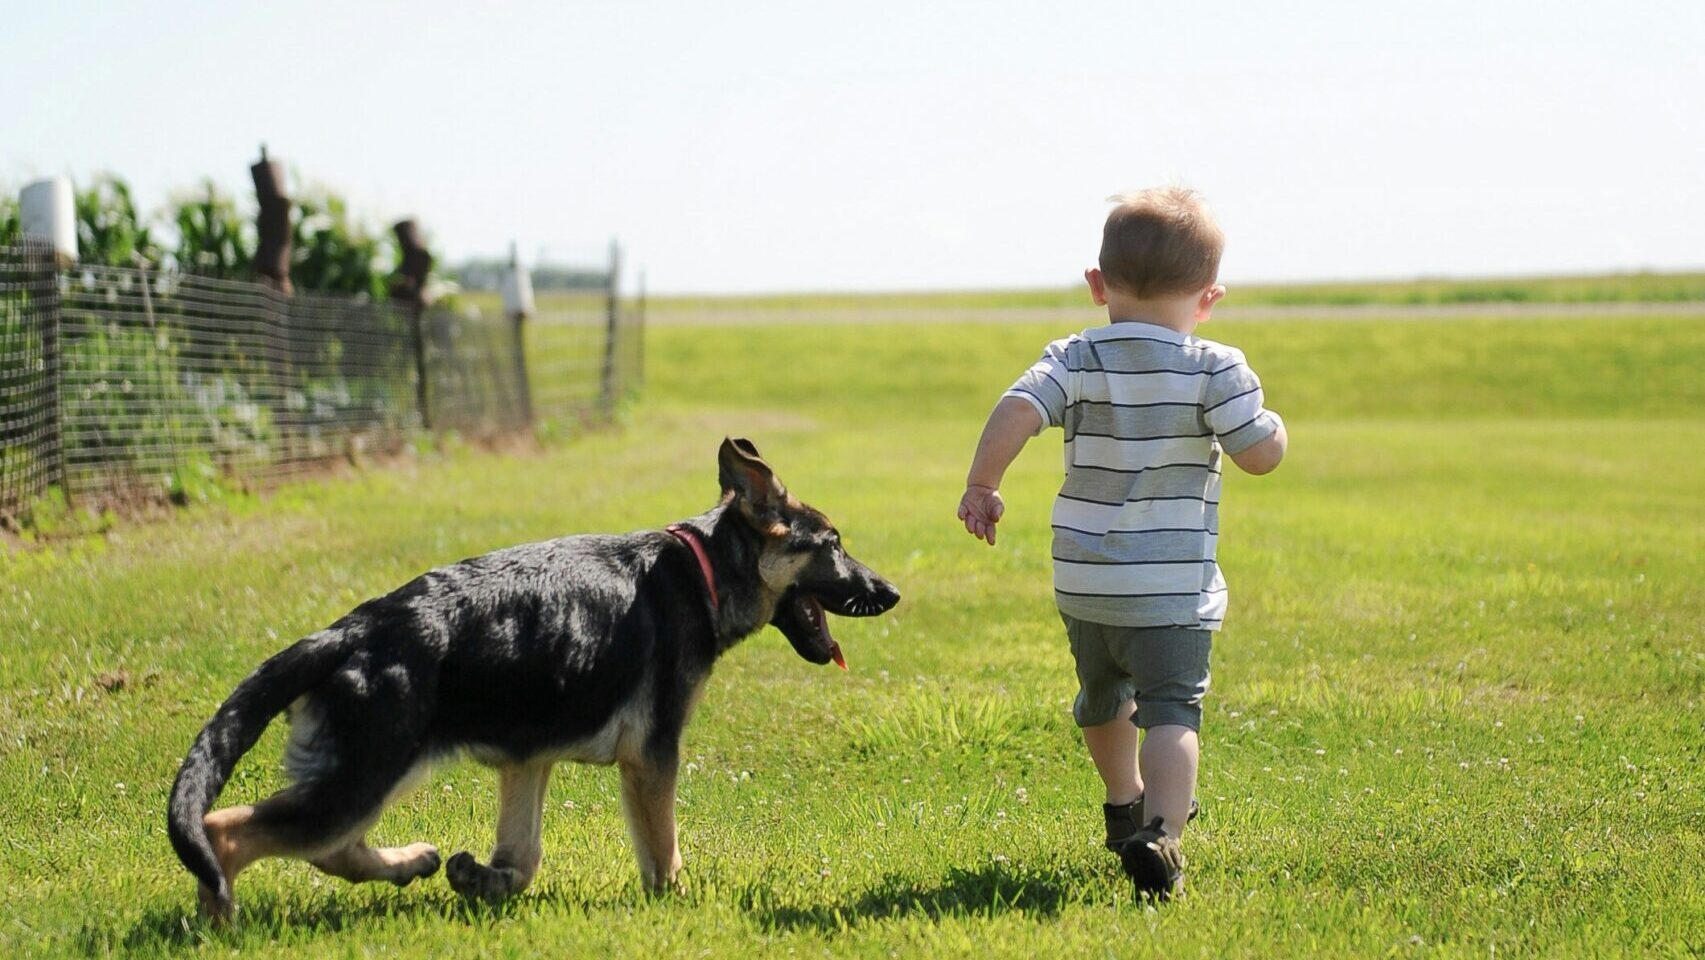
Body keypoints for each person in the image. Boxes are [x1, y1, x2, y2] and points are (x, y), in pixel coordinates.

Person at [956, 186, 1286, 898]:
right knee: (1170, 709)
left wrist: (983, 482)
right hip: (1169, 589)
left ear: (1097, 284)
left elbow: (1018, 407)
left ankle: (1120, 802)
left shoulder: (1072, 356)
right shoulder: (1214, 366)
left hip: (1085, 581)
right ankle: (1162, 834)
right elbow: (1258, 455)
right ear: (1208, 297)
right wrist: (1273, 429)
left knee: (1101, 698)